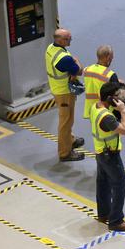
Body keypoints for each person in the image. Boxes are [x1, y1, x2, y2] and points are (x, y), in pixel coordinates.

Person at [91, 79, 125, 232]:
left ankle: (103, 214)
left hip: (100, 151)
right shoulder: (107, 117)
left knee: (103, 183)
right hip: (110, 155)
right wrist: (122, 111)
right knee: (119, 183)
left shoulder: (95, 107)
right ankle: (116, 221)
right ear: (110, 98)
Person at [45, 28, 86, 161]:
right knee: (66, 122)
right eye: (68, 39)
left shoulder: (51, 48)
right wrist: (77, 60)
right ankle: (65, 153)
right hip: (64, 92)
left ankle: (71, 140)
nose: (71, 40)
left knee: (67, 119)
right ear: (61, 40)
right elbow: (79, 71)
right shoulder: (64, 59)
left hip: (57, 88)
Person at [82, 45, 118, 126]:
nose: (112, 59)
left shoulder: (87, 70)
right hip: (106, 111)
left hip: (92, 110)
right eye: (111, 57)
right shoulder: (110, 75)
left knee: (96, 132)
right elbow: (117, 96)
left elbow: (95, 81)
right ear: (108, 57)